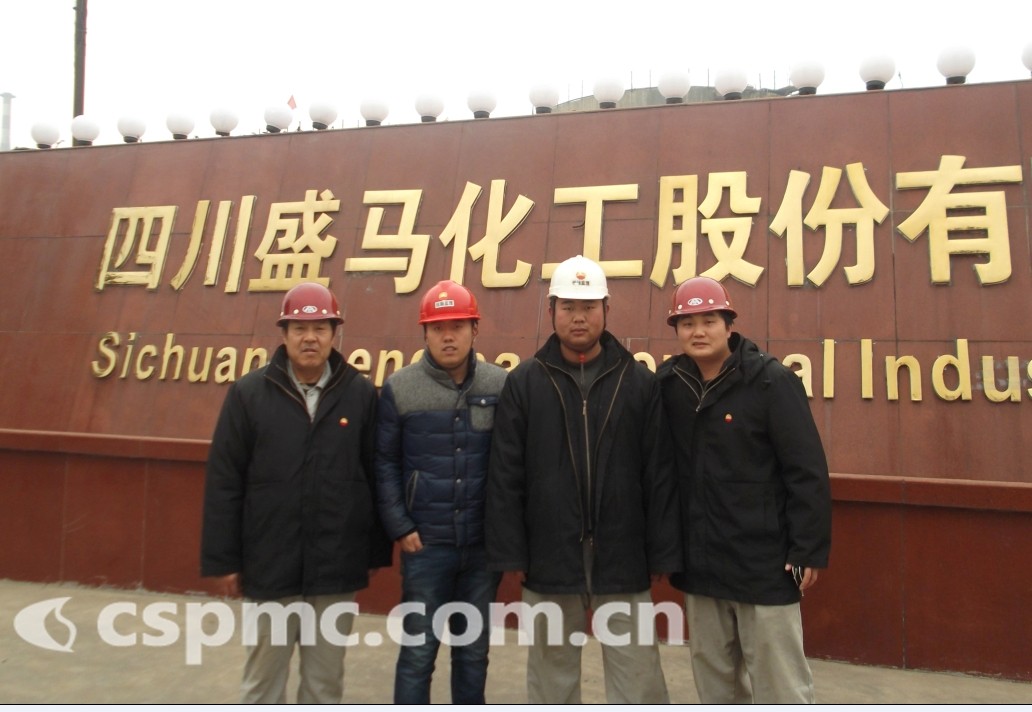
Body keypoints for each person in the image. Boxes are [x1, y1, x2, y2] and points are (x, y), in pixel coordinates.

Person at [486, 255, 680, 704]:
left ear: (606, 310)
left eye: (589, 306)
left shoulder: (638, 382)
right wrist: (513, 551)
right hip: (550, 557)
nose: (578, 317)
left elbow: (659, 474)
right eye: (568, 306)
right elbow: (506, 474)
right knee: (551, 679)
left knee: (638, 680)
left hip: (623, 556)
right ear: (551, 309)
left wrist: (661, 550)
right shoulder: (526, 382)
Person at [200, 281, 392, 704]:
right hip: (271, 562)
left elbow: (374, 474)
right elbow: (225, 480)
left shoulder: (359, 394)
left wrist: (375, 551)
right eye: (300, 328)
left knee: (324, 683)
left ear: (334, 333)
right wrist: (224, 558)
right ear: (284, 334)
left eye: (320, 328)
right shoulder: (249, 394)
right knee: (263, 681)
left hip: (335, 563)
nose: (310, 338)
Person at [657, 276, 832, 704]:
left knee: (781, 686)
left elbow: (806, 470)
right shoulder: (669, 385)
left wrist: (807, 549)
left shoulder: (771, 381)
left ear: (729, 325)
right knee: (715, 684)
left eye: (709, 321)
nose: (698, 331)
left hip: (764, 566)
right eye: (687, 323)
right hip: (701, 565)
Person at [375, 280, 507, 704]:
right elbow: (384, 462)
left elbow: (513, 463)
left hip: (482, 548)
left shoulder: (500, 384)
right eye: (437, 328)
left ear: (475, 329)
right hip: (425, 546)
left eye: (457, 326)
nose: (448, 337)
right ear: (425, 334)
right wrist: (400, 525)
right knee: (418, 653)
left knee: (473, 653)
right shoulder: (401, 388)